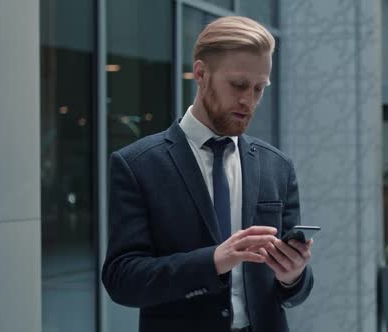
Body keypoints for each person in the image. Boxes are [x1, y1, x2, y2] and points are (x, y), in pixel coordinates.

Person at [102, 16, 314, 332]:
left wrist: (293, 275)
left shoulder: (277, 166)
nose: (249, 100)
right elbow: (123, 280)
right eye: (239, 85)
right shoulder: (137, 165)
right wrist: (214, 261)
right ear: (201, 74)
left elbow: (296, 291)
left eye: (259, 88)